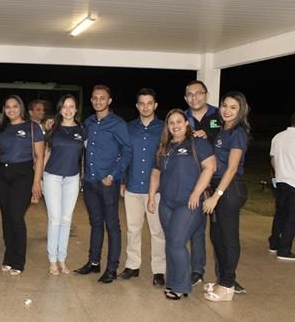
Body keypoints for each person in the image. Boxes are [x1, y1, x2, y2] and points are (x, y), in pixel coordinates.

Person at [147, 109, 216, 300]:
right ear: (167, 127)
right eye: (171, 122)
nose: (175, 125)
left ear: (187, 123)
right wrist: (151, 197)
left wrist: (196, 193)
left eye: (179, 121)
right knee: (171, 243)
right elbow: (156, 172)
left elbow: (210, 167)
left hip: (189, 203)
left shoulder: (197, 143)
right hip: (167, 203)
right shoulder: (164, 147)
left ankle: (180, 286)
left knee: (177, 242)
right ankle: (174, 281)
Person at [75, 85, 131, 283]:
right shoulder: (89, 122)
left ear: (109, 101)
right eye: (95, 98)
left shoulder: (118, 124)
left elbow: (127, 151)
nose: (98, 101)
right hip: (90, 182)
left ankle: (112, 268)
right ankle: (94, 262)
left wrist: (113, 175)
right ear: (91, 100)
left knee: (112, 225)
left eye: (102, 98)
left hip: (107, 183)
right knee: (96, 223)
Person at [202, 91, 250, 301]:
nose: (227, 110)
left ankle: (228, 286)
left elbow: (231, 169)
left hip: (230, 189)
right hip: (218, 188)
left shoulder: (238, 133)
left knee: (228, 238)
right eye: (225, 106)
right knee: (216, 236)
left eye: (233, 107)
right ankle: (223, 279)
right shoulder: (223, 131)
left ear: (241, 111)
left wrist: (216, 196)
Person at [119, 88, 166, 286]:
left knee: (157, 231)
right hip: (132, 186)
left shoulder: (164, 128)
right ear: (137, 106)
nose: (146, 107)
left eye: (149, 103)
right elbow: (124, 154)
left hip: (156, 189)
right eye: (142, 103)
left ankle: (159, 270)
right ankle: (132, 265)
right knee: (133, 229)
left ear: (155, 105)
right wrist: (122, 180)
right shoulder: (129, 127)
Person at [0, 95, 44, 275]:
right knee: (6, 217)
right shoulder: (2, 128)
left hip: (23, 175)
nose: (11, 109)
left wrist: (36, 182)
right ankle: (9, 255)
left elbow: (39, 157)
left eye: (15, 106)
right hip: (2, 174)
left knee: (16, 216)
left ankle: (19, 260)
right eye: (7, 107)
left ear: (21, 108)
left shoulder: (32, 127)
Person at [183, 80, 220, 287]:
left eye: (198, 93)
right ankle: (196, 270)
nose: (194, 97)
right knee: (196, 228)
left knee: (221, 232)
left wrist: (209, 137)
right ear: (185, 97)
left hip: (217, 182)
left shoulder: (220, 115)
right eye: (190, 94)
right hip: (191, 182)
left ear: (206, 94)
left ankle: (226, 277)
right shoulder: (182, 118)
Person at [42, 95, 83, 275]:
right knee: (55, 219)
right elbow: (46, 153)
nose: (68, 110)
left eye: (71, 106)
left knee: (66, 220)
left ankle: (62, 259)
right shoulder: (53, 128)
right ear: (60, 109)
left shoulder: (82, 130)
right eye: (64, 107)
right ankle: (52, 260)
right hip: (52, 177)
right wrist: (40, 179)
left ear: (76, 109)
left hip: (72, 179)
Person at [268, 108, 295, 261]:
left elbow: (273, 160)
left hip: (281, 182)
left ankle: (274, 244)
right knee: (294, 219)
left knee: (280, 214)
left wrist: (280, 173)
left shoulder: (278, 137)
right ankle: (284, 250)